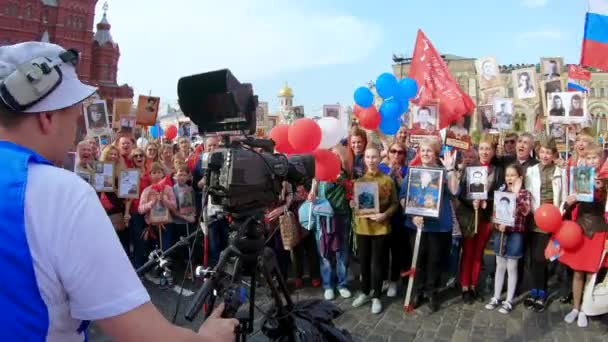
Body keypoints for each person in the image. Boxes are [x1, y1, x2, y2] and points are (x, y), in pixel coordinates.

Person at [0, 42, 237, 341]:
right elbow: (143, 334)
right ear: (46, 118)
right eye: (73, 118)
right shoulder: (57, 192)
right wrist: (209, 338)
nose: (76, 131)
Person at [400, 138, 459, 312]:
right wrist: (412, 214)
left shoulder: (444, 172)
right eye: (423, 150)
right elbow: (403, 196)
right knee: (418, 260)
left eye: (429, 151)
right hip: (417, 225)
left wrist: (450, 169)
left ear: (436, 153)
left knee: (435, 260)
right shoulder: (412, 172)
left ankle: (432, 291)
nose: (425, 154)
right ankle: (418, 291)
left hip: (439, 226)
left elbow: (455, 191)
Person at [560, 145, 608, 328]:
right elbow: (569, 205)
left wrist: (601, 190)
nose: (592, 161)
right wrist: (570, 200)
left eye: (595, 158)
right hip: (580, 228)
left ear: (601, 160)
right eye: (589, 158)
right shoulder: (579, 177)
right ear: (584, 160)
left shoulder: (605, 181)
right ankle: (575, 307)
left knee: (591, 273)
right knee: (578, 272)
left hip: (598, 229)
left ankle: (585, 309)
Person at [351, 147, 398, 314]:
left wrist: (384, 215)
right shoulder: (359, 181)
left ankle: (376, 295)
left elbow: (395, 203)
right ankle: (365, 292)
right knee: (363, 262)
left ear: (380, 158)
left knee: (378, 264)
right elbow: (357, 206)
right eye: (368, 157)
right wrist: (354, 205)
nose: (371, 160)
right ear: (364, 159)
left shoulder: (387, 180)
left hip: (381, 228)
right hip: (363, 228)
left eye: (374, 157)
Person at [459, 134, 505, 304]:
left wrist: (487, 201)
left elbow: (499, 194)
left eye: (488, 149)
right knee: (468, 253)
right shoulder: (469, 168)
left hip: (485, 217)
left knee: (478, 253)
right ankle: (464, 286)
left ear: (493, 152)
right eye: (482, 148)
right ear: (478, 150)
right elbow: (461, 193)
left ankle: (473, 285)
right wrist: (472, 201)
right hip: (471, 217)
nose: (485, 152)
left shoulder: (497, 171)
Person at [524, 136, 567, 312]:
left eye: (548, 152)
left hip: (553, 219)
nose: (545, 155)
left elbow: (564, 197)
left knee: (542, 257)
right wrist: (536, 212)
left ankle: (542, 293)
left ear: (554, 154)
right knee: (534, 259)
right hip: (535, 218)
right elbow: (528, 194)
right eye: (542, 151)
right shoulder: (531, 171)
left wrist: (558, 214)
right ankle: (535, 291)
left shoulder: (560, 172)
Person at [485, 164, 531, 314]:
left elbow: (525, 211)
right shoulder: (501, 192)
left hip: (515, 234)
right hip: (501, 233)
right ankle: (496, 296)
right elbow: (496, 212)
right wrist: (498, 224)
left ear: (520, 178)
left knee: (512, 266)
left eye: (513, 175)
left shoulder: (524, 193)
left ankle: (509, 299)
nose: (510, 178)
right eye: (507, 175)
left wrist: (516, 195)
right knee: (500, 265)